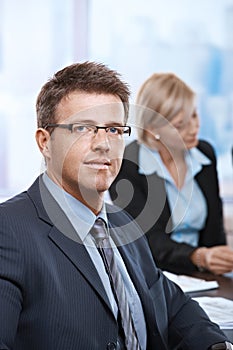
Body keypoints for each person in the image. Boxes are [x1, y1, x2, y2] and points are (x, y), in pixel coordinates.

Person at [0, 62, 232, 350]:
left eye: (112, 129)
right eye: (83, 128)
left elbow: (173, 304)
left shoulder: (124, 224)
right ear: (44, 142)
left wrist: (216, 346)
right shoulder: (8, 231)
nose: (103, 144)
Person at [109, 72, 233, 275]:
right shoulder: (128, 163)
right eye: (179, 125)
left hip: (202, 274)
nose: (194, 128)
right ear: (152, 130)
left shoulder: (204, 154)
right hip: (155, 272)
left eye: (194, 115)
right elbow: (147, 240)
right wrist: (198, 256)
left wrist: (219, 260)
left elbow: (214, 229)